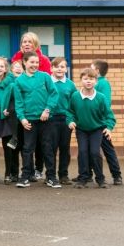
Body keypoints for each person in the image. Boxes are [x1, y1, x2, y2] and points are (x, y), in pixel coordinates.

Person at [13, 51, 59, 189]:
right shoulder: (19, 81)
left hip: (45, 120)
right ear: (24, 63)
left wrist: (47, 109)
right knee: (27, 149)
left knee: (47, 148)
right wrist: (22, 119)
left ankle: (51, 177)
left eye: (37, 62)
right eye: (32, 62)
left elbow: (54, 94)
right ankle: (25, 177)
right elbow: (19, 103)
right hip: (29, 121)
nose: (35, 65)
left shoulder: (45, 77)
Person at [67, 68, 116, 189]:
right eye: (85, 79)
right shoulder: (75, 96)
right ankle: (83, 179)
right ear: (81, 80)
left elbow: (109, 116)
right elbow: (70, 112)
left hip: (96, 129)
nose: (88, 81)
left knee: (95, 152)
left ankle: (100, 179)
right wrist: (70, 121)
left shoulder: (101, 97)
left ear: (96, 81)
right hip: (81, 130)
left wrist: (109, 128)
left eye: (91, 79)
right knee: (83, 152)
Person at [92, 59, 123, 186]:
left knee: (108, 150)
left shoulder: (103, 83)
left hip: (101, 123)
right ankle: (87, 174)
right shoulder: (96, 82)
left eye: (91, 68)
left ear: (97, 71)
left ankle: (117, 175)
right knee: (90, 150)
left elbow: (106, 103)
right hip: (94, 122)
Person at [51, 57, 77, 185]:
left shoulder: (70, 84)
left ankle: (63, 175)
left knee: (64, 148)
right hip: (50, 119)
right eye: (57, 66)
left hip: (66, 119)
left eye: (62, 66)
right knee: (51, 148)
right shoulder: (48, 82)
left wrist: (72, 118)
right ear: (52, 68)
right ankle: (50, 175)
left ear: (66, 69)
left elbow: (74, 102)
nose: (59, 69)